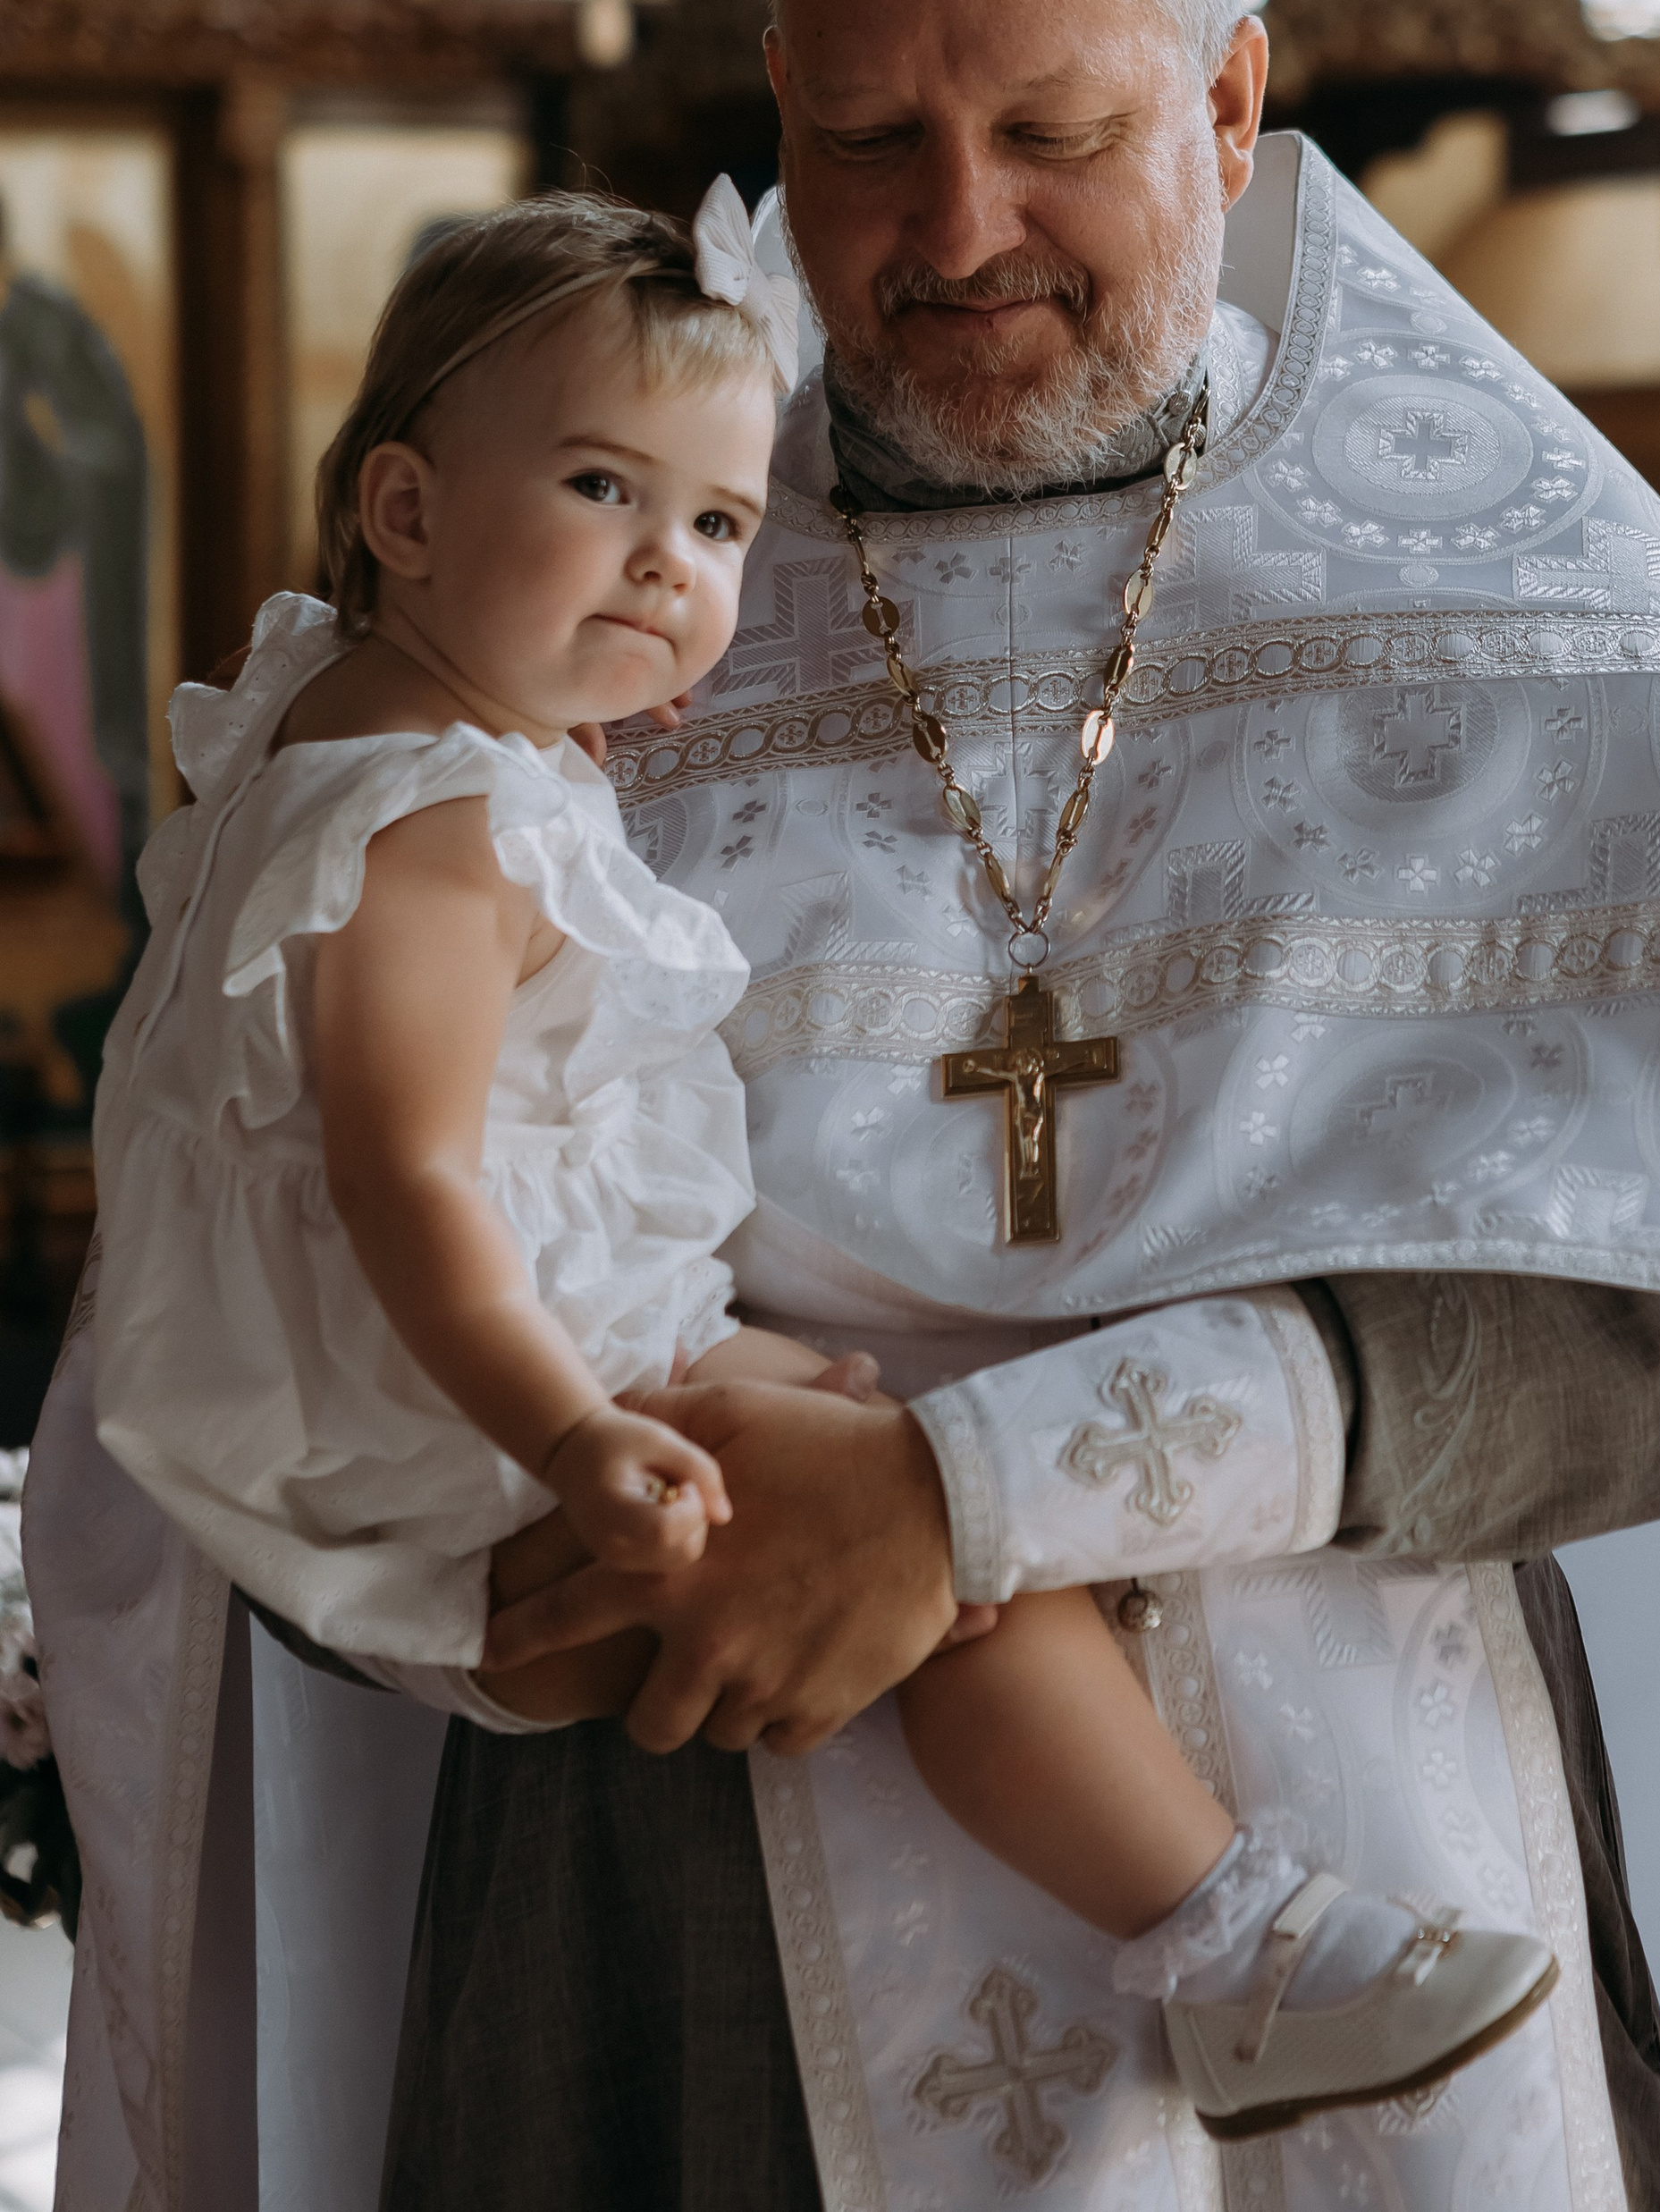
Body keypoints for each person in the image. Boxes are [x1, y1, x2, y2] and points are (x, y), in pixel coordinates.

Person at [33, 0, 1660, 2212]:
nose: (958, 230)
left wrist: (962, 1499)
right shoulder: (573, 598)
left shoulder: (1541, 639)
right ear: (774, 110)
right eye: (865, 139)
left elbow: (1648, 1344)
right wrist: (449, 1590)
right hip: (664, 1918)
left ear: (1228, 107)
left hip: (1359, 1848)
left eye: (1054, 130)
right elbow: (267, 1241)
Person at [72, 181, 1555, 2154]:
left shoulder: (381, 711)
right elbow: (402, 1179)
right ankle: (1236, 1942)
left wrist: (573, 690)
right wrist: (578, 1438)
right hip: (474, 1421)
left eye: (715, 526)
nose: (665, 566)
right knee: (935, 1539)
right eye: (600, 489)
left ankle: (1228, 1928)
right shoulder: (432, 823)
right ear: (405, 512)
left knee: (880, 1453)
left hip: (468, 1380)